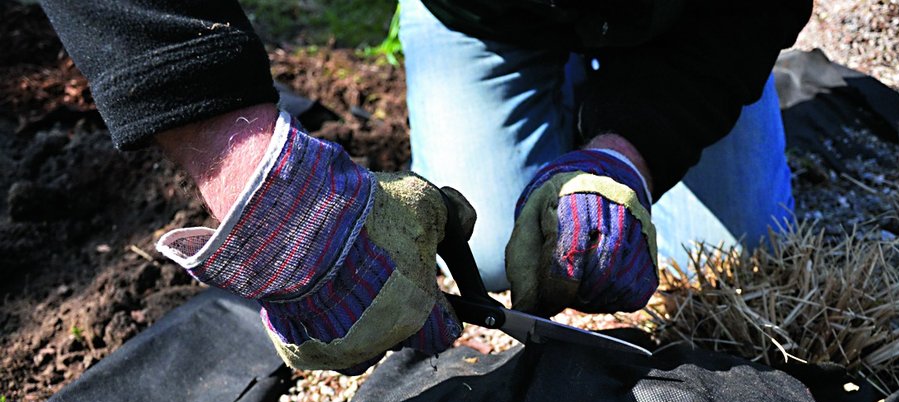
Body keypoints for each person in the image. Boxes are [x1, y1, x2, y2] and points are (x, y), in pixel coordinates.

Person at [39, 0, 812, 372]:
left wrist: (625, 155)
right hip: (488, 17)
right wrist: (263, 189)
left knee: (737, 250)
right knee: (499, 256)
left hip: (682, 25)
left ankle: (603, 102)